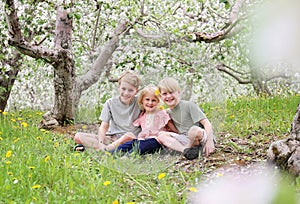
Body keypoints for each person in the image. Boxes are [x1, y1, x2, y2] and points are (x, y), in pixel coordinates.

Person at [73, 70, 141, 151]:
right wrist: (101, 143)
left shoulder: (140, 102)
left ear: (136, 91)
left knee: (129, 137)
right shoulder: (110, 103)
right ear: (118, 87)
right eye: (123, 89)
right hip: (113, 139)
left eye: (130, 90)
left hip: (131, 139)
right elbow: (104, 126)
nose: (126, 93)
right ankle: (108, 148)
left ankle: (99, 148)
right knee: (78, 137)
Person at [156, 77, 215, 160]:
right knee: (161, 135)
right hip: (186, 139)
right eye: (165, 94)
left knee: (193, 130)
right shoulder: (167, 112)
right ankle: (186, 151)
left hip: (200, 136)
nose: (168, 96)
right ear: (161, 97)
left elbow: (207, 123)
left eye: (171, 92)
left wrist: (210, 141)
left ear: (178, 93)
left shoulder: (189, 105)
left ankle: (192, 147)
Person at [110, 85, 178, 155]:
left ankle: (129, 156)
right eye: (147, 99)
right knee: (130, 143)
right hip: (142, 140)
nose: (150, 103)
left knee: (142, 146)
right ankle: (112, 153)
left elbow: (173, 130)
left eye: (154, 100)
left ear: (158, 102)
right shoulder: (143, 115)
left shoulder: (161, 114)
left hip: (156, 141)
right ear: (142, 101)